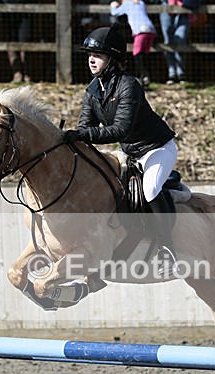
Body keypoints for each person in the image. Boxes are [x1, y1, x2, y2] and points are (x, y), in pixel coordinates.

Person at [63, 24, 178, 266]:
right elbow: (86, 127)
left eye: (98, 56)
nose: (91, 61)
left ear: (112, 59)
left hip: (156, 148)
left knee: (149, 190)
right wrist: (72, 138)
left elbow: (120, 129)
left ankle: (167, 246)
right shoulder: (94, 90)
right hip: (128, 152)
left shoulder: (129, 85)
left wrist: (82, 135)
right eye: (90, 56)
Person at [110, 0, 156, 87]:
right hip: (150, 30)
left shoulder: (127, 4)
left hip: (140, 30)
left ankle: (143, 77)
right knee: (144, 54)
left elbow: (115, 13)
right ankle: (145, 77)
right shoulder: (140, 2)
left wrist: (113, 5)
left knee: (137, 53)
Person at [2, 0, 36, 83]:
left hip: (26, 8)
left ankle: (27, 73)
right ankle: (17, 73)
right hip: (7, 7)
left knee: (25, 40)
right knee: (11, 40)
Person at [159, 0, 191, 84]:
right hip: (166, 5)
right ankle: (172, 73)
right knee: (168, 40)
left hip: (184, 5)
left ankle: (181, 72)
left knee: (180, 39)